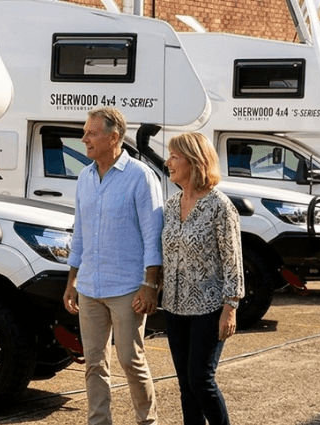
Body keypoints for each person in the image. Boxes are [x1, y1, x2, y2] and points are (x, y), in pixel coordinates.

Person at [63, 106, 163, 425]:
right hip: (90, 287)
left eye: (91, 133)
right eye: (85, 132)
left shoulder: (141, 177)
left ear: (113, 137)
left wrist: (150, 285)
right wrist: (72, 281)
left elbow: (153, 235)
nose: (84, 139)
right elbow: (79, 232)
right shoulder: (84, 177)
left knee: (130, 360)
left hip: (128, 288)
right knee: (93, 363)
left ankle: (148, 421)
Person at [159, 132, 243, 425]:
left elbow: (233, 261)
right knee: (185, 384)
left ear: (194, 161)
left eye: (174, 156)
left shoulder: (220, 207)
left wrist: (230, 307)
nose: (167, 162)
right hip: (174, 306)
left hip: (209, 308)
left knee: (200, 380)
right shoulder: (171, 205)